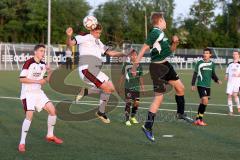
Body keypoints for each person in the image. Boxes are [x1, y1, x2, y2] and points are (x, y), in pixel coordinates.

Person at [131, 12, 188, 142]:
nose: (166, 22)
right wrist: (135, 66)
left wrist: (175, 42)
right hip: (157, 69)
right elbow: (143, 49)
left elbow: (170, 51)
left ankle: (180, 114)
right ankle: (147, 126)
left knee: (180, 88)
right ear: (160, 20)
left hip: (165, 65)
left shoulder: (162, 34)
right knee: (159, 99)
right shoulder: (155, 33)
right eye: (165, 20)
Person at [66, 23, 126, 124]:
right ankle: (100, 112)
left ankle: (87, 93)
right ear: (92, 30)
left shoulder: (98, 41)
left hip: (96, 71)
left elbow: (110, 53)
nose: (99, 34)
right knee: (106, 88)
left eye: (100, 33)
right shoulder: (85, 37)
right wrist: (69, 35)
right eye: (97, 32)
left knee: (111, 88)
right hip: (87, 70)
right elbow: (70, 43)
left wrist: (124, 53)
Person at [18, 44, 63, 152]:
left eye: (44, 51)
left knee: (53, 111)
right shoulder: (29, 62)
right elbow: (22, 79)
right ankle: (22, 142)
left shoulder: (43, 64)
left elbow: (47, 80)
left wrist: (49, 70)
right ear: (35, 52)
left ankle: (50, 135)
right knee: (29, 116)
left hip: (38, 93)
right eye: (41, 51)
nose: (43, 53)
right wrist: (38, 81)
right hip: (27, 93)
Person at [191, 48, 222, 126]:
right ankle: (200, 120)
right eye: (204, 53)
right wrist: (192, 84)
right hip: (200, 84)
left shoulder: (212, 64)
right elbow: (195, 74)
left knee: (202, 102)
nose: (205, 54)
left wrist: (217, 80)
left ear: (210, 55)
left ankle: (197, 119)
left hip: (208, 86)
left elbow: (213, 74)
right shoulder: (199, 63)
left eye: (207, 53)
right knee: (205, 100)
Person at [119, 49, 144, 126]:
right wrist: (119, 87)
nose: (134, 56)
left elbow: (140, 77)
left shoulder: (139, 66)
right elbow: (122, 76)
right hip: (128, 87)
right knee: (128, 102)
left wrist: (143, 87)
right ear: (130, 56)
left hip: (136, 88)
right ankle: (127, 120)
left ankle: (132, 117)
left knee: (136, 103)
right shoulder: (126, 65)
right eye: (132, 55)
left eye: (136, 55)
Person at [225, 50, 240, 115]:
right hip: (230, 82)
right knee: (229, 95)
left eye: (236, 54)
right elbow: (227, 71)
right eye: (233, 54)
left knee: (235, 95)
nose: (234, 55)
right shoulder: (230, 63)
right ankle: (231, 111)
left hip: (237, 82)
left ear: (239, 55)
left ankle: (239, 107)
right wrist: (226, 75)